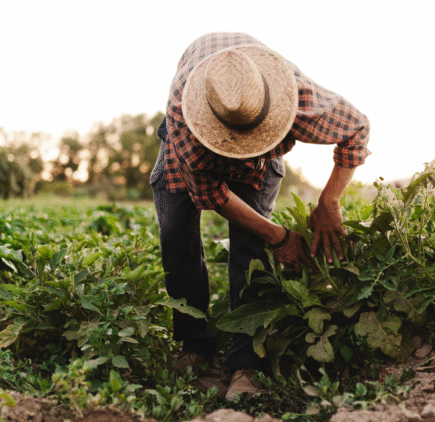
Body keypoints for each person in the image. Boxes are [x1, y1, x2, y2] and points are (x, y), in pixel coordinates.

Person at [149, 32, 371, 401]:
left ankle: (246, 362)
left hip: (261, 150)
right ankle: (195, 342)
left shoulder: (295, 96)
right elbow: (212, 194)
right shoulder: (184, 117)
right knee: (175, 233)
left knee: (250, 247)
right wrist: (280, 236)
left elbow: (357, 129)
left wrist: (330, 200)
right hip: (190, 149)